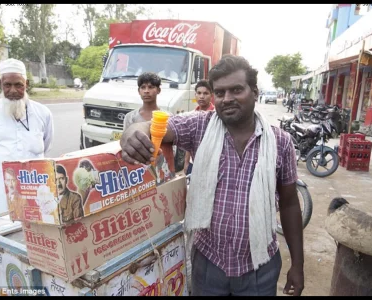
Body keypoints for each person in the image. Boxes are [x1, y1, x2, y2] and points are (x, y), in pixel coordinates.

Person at [119, 55, 304, 296]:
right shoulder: (200, 126)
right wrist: (133, 131)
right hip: (209, 264)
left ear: (255, 92)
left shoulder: (280, 142)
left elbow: (290, 204)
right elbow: (158, 126)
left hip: (260, 266)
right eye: (220, 92)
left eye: (236, 90)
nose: (227, 99)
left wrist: (298, 265)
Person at [0, 58, 54, 216]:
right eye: (8, 85)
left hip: (35, 188)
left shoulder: (43, 113)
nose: (13, 90)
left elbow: (46, 144)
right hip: (0, 189)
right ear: (0, 83)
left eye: (18, 85)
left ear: (26, 84)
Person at [184, 80, 215, 175]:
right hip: (193, 163)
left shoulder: (215, 116)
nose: (202, 96)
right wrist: (186, 163)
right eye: (199, 93)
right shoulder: (191, 115)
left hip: (211, 165)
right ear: (195, 95)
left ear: (211, 95)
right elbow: (189, 142)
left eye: (205, 93)